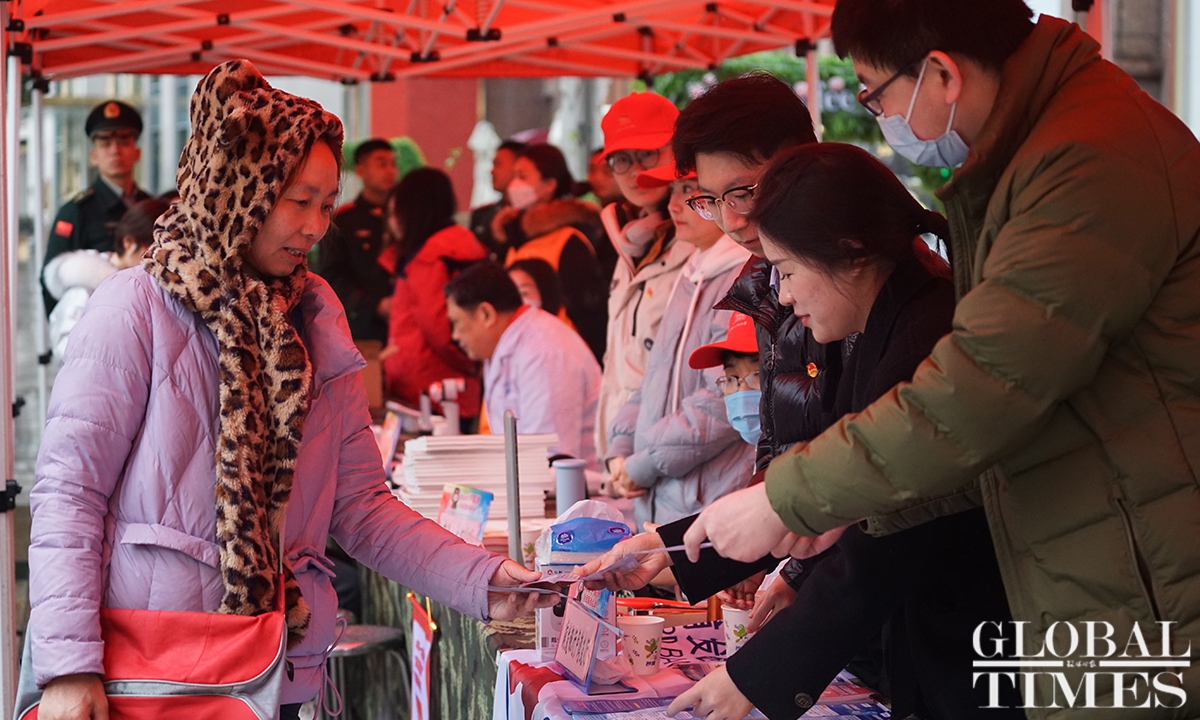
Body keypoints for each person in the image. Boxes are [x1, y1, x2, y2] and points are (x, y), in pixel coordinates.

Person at [682, 2, 1200, 715]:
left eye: (876, 94)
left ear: (942, 74)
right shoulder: (1035, 153)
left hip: (1140, 562)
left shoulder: (1086, 158)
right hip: (1096, 548)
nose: (883, 117)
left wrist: (789, 497)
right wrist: (828, 510)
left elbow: (981, 390)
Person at [24, 60, 548, 720]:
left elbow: (362, 506)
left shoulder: (314, 316)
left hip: (275, 675)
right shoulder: (134, 307)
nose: (316, 226)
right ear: (237, 189)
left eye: (327, 205)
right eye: (298, 201)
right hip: (152, 681)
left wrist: (485, 578)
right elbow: (70, 493)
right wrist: (69, 666)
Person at [583, 144, 1020, 720]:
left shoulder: (926, 334)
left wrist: (757, 675)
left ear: (851, 253)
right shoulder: (876, 323)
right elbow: (820, 493)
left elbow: (887, 530)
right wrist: (676, 549)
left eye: (787, 272)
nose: (784, 295)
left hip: (977, 646)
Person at [605, 162, 753, 528]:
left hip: (708, 504)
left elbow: (724, 399)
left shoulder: (744, 277)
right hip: (662, 500)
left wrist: (643, 463)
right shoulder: (692, 273)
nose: (673, 205)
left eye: (688, 191)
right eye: (672, 191)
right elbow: (654, 376)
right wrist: (621, 445)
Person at [595, 92, 695, 463]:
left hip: (671, 457)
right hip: (622, 457)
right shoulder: (628, 243)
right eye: (621, 159)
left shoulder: (705, 244)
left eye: (648, 153)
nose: (635, 170)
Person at [445, 261, 601, 469]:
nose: (455, 336)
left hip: (572, 485)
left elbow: (550, 456)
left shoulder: (544, 349)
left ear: (486, 314)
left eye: (456, 322)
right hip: (529, 479)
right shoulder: (506, 345)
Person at [381, 167, 487, 423]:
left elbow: (438, 327)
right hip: (448, 387)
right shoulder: (459, 244)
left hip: (432, 390)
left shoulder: (431, 255)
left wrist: (472, 360)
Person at [493, 144, 609, 363]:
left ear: (549, 185)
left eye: (523, 176)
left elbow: (590, 315)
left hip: (562, 358)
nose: (514, 184)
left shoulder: (570, 238)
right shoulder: (516, 238)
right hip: (525, 356)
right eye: (514, 175)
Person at [42, 99, 151, 314]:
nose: (115, 151)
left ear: (137, 152)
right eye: (105, 143)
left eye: (123, 141)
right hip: (100, 320)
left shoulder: (151, 207)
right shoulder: (76, 212)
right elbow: (50, 283)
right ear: (93, 155)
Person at [43, 197, 170, 362]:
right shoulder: (87, 283)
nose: (159, 260)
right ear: (129, 243)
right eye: (153, 250)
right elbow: (66, 347)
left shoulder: (143, 285)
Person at [318, 138, 398, 343]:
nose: (390, 171)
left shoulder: (405, 218)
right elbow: (332, 276)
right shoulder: (343, 220)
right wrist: (375, 305)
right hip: (363, 328)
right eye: (382, 164)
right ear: (361, 170)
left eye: (393, 164)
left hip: (404, 327)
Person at [469, 139, 525, 257]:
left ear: (519, 167)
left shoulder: (530, 217)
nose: (492, 171)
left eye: (498, 164)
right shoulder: (482, 215)